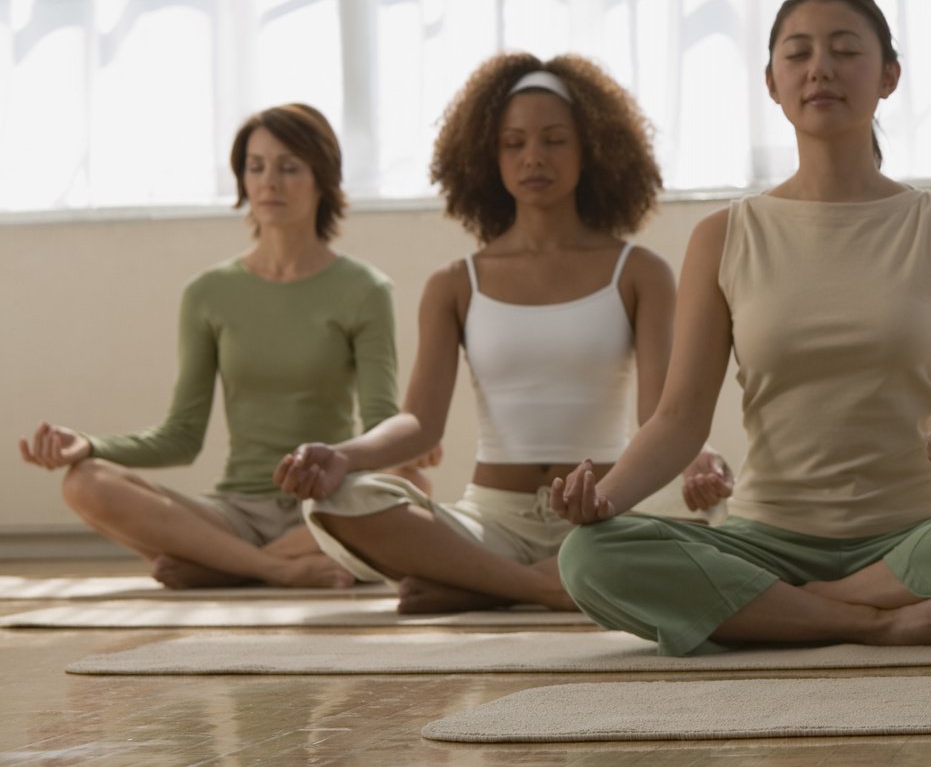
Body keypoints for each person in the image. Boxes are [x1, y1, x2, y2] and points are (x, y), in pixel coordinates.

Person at [551, 0, 931, 654]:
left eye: (843, 50)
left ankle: (781, 613)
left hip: (915, 534)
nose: (819, 68)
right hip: (767, 541)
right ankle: (868, 620)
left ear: (888, 75)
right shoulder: (724, 233)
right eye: (797, 53)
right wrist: (605, 501)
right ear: (771, 82)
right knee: (587, 558)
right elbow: (679, 419)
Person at [276, 53, 724, 613]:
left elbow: (663, 411)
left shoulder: (639, 271)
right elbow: (419, 423)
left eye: (554, 140)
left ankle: (477, 584)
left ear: (593, 148)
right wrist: (344, 455)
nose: (533, 156)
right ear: (489, 156)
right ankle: (542, 585)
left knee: (718, 525)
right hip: (490, 522)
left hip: (603, 514)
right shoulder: (454, 284)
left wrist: (700, 457)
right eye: (514, 143)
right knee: (336, 501)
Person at [18, 104, 401, 590]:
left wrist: (398, 454)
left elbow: (383, 429)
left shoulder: (366, 290)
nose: (269, 182)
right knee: (83, 482)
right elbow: (181, 436)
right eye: (256, 166)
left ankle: (220, 566)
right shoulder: (208, 293)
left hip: (327, 507)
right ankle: (274, 568)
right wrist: (88, 445)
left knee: (413, 489)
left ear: (322, 177)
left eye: (289, 167)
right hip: (233, 511)